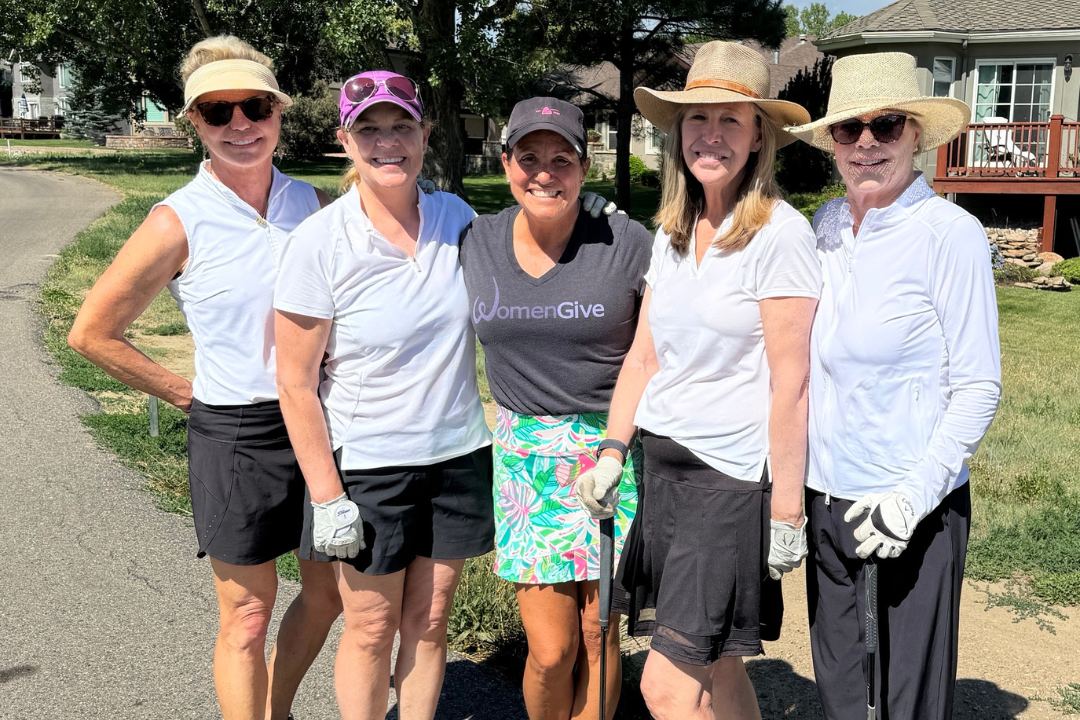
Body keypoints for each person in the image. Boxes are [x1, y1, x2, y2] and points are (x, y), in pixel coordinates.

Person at [67, 35, 342, 720]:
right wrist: (184, 394)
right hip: (236, 430)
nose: (239, 124)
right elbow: (92, 333)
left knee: (329, 594)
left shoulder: (313, 203)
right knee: (247, 617)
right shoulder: (176, 220)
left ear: (279, 111)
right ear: (194, 123)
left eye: (254, 106)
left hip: (321, 421)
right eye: (217, 113)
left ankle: (272, 708)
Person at [578, 41, 819, 719]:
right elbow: (644, 358)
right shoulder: (676, 231)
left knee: (665, 686)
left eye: (731, 120)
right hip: (666, 476)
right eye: (696, 118)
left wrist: (787, 510)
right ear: (677, 130)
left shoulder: (780, 235)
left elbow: (791, 383)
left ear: (759, 137)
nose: (710, 134)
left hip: (728, 483)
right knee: (719, 670)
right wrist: (611, 452)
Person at [272, 70, 497, 720]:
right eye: (370, 128)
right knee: (370, 629)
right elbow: (294, 382)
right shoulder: (319, 241)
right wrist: (327, 496)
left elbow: (520, 275)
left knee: (428, 627)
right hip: (367, 470)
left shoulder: (456, 218)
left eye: (401, 126)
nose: (388, 141)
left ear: (425, 133)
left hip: (457, 459)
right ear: (346, 139)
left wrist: (590, 229)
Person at [787, 51, 1001, 720]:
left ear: (915, 133)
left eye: (886, 125)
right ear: (831, 143)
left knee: (910, 702)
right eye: (849, 130)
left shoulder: (949, 235)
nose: (867, 143)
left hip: (916, 503)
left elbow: (978, 386)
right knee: (843, 693)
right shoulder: (822, 228)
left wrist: (913, 496)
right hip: (829, 497)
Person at [460, 96, 653, 720]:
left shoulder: (627, 241)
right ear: (506, 159)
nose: (545, 172)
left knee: (600, 634)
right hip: (525, 462)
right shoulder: (474, 239)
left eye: (562, 159)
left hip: (610, 455)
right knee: (549, 649)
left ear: (584, 166)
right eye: (529, 156)